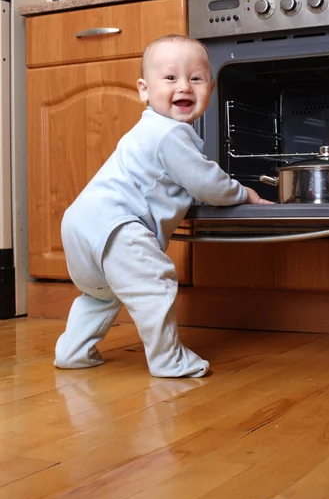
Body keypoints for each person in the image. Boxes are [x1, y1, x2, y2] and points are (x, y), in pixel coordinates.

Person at [55, 34, 272, 378]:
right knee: (155, 284)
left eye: (195, 78)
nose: (184, 86)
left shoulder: (146, 130)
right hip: (118, 225)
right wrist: (244, 194)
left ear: (210, 90)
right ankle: (168, 359)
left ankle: (73, 350)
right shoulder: (171, 134)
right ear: (144, 90)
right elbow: (206, 183)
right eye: (170, 78)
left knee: (102, 296)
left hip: (80, 226)